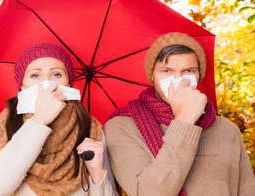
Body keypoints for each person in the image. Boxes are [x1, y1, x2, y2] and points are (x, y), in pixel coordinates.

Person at [104, 32, 255, 196]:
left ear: (199, 76)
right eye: (167, 70)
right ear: (152, 76)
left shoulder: (226, 129)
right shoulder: (121, 127)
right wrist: (184, 121)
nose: (178, 79)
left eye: (188, 70)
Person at [0, 43, 117, 196]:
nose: (47, 83)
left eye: (57, 75)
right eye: (35, 75)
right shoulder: (2, 130)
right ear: (22, 87)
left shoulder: (91, 130)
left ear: (68, 83)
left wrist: (97, 174)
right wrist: (39, 121)